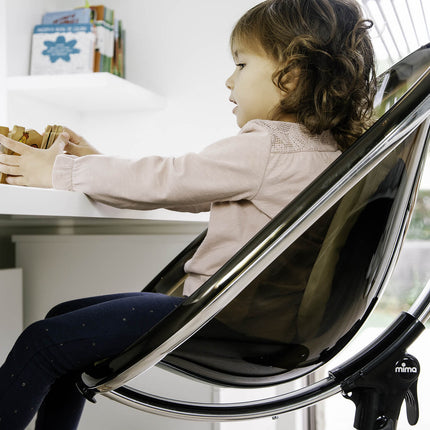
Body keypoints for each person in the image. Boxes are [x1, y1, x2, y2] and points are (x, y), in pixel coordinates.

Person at [0, 0, 376, 428]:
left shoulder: (268, 144)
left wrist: (59, 170)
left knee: (42, 342)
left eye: (240, 64)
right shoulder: (326, 150)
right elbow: (181, 188)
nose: (229, 79)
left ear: (289, 76)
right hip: (261, 324)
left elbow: (168, 178)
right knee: (61, 323)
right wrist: (95, 164)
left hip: (215, 317)